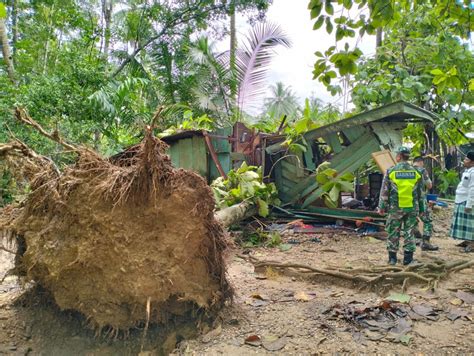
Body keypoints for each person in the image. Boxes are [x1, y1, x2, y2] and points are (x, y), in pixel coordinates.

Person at [378, 147, 425, 265]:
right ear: (408, 157)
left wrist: (381, 206)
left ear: (398, 156)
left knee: (393, 232)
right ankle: (408, 259)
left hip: (395, 208)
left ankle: (392, 259)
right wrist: (422, 209)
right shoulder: (416, 172)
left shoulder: (391, 171)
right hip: (411, 208)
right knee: (409, 232)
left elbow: (384, 191)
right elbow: (421, 193)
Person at [413, 156, 439, 251]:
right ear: (421, 162)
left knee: (412, 219)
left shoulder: (406, 170)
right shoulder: (422, 170)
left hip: (406, 200)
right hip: (419, 200)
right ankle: (426, 243)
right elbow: (429, 185)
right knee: (427, 220)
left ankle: (416, 239)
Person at [450, 151, 474, 252]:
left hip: (467, 201)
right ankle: (468, 240)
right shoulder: (468, 171)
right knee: (465, 223)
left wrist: (469, 204)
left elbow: (473, 189)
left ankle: (473, 243)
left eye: (466, 160)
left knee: (471, 224)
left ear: (472, 162)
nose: (464, 161)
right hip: (461, 199)